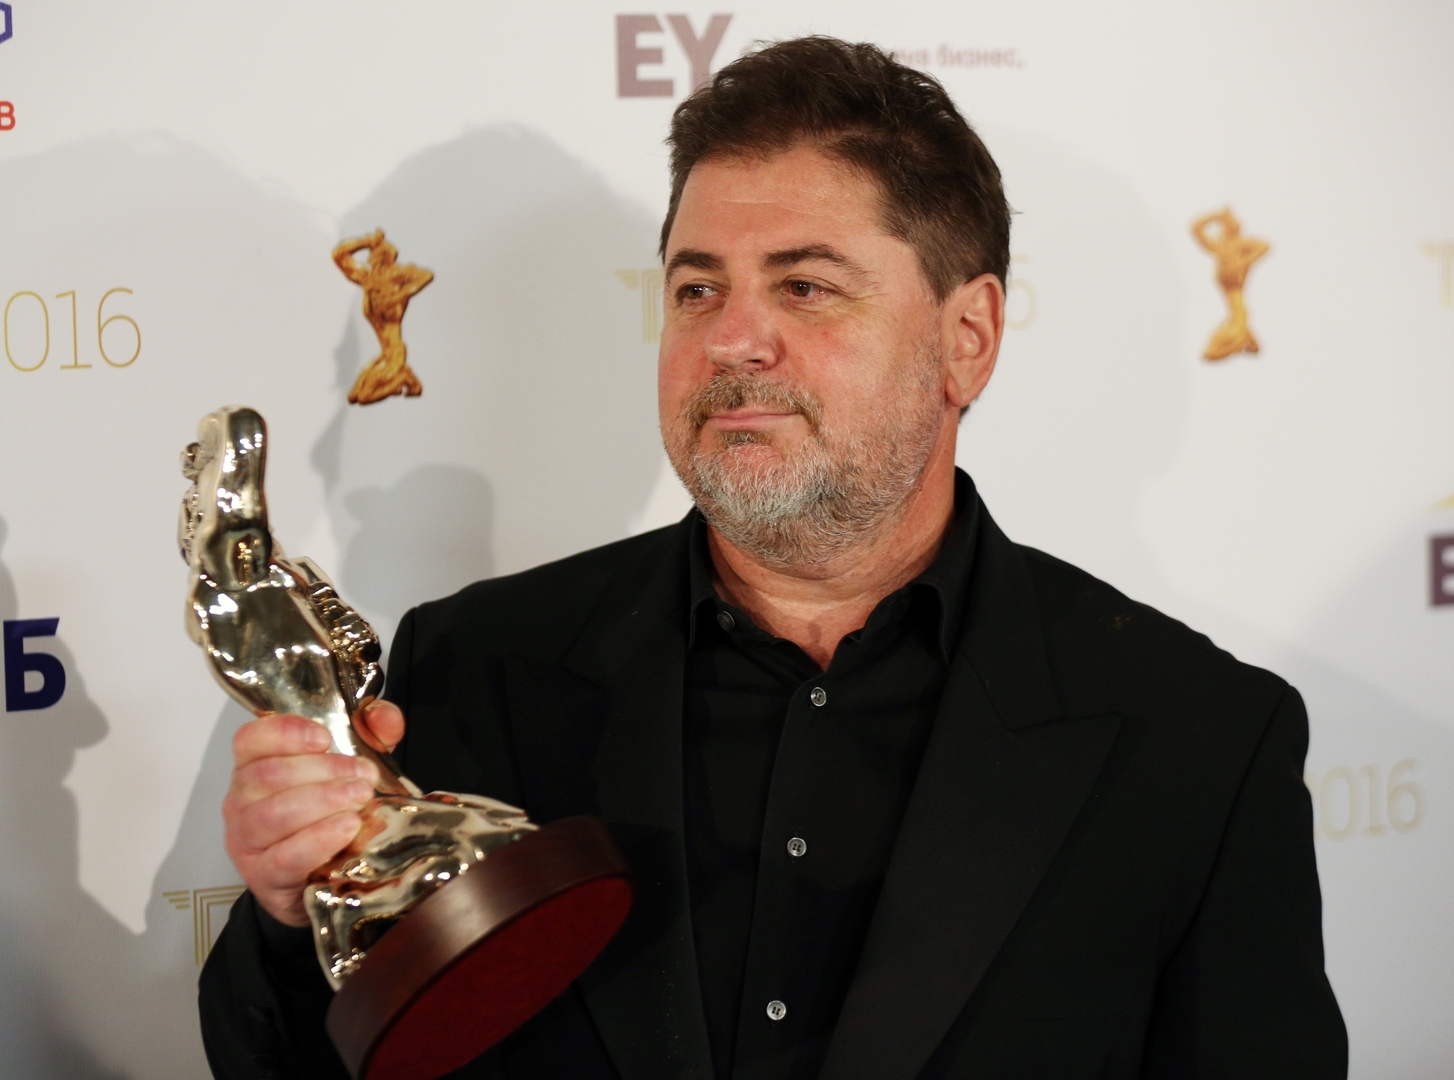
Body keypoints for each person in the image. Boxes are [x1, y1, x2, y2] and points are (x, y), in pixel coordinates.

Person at [199, 37, 1346, 1080]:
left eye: (805, 286)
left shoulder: (1195, 741)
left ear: (966, 339)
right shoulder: (472, 667)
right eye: (697, 288)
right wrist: (296, 915)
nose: (731, 339)